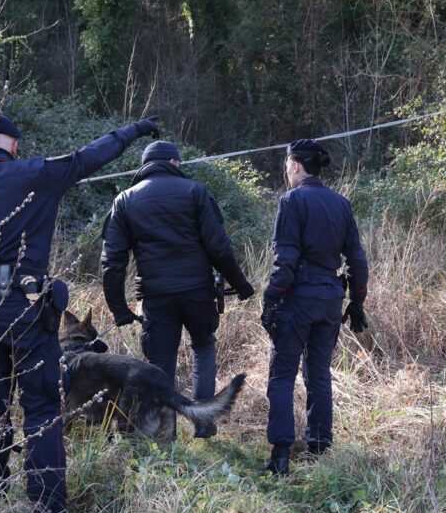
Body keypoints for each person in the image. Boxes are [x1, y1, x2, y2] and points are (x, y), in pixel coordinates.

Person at [0, 111, 160, 513]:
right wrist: (133, 130)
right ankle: (48, 511)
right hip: (26, 309)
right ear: (14, 146)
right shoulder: (35, 174)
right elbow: (89, 157)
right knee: (41, 410)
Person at [100, 140, 255, 439]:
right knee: (203, 346)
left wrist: (119, 308)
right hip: (198, 291)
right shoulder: (195, 192)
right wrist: (241, 285)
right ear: (174, 163)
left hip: (156, 297)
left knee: (160, 365)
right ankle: (204, 421)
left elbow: (112, 263)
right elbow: (218, 247)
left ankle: (162, 431)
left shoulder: (124, 200)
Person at [261, 139, 369, 476]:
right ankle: (319, 449)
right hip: (330, 301)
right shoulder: (341, 203)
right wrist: (357, 301)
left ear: (295, 165)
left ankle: (280, 457)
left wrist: (270, 297)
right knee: (318, 375)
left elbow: (286, 260)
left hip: (299, 299)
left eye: (286, 165)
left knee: (281, 375)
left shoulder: (291, 201)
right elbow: (357, 259)